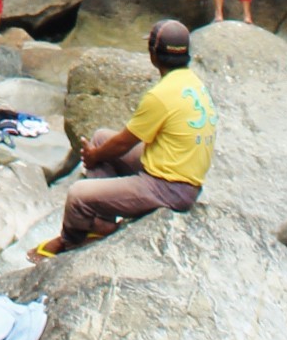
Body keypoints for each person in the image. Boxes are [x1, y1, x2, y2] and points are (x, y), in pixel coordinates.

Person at [31, 20, 215, 259]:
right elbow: (121, 142)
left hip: (169, 186)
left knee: (78, 194)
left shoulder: (160, 95)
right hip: (181, 173)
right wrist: (98, 151)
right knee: (100, 138)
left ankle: (71, 243)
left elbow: (123, 144)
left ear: (153, 55)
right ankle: (102, 224)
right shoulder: (194, 84)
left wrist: (93, 156)